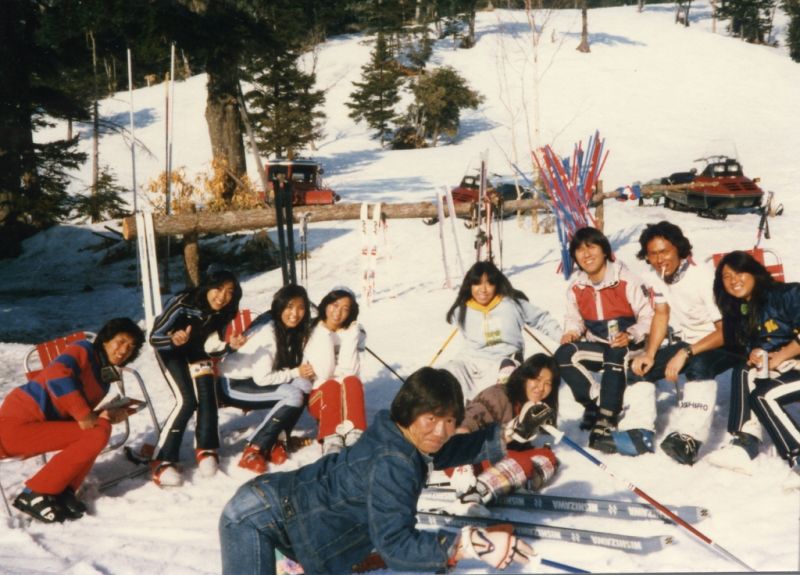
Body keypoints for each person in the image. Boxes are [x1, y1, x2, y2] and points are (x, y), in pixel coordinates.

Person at [219, 366, 550, 575]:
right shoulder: (395, 463)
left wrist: (507, 433)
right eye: (431, 418)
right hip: (259, 520)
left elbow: (446, 449)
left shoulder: (396, 431)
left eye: (450, 420)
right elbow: (394, 544)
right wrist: (464, 544)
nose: (441, 430)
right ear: (411, 411)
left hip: (286, 515)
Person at [0, 318, 145, 523]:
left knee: (98, 429)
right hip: (15, 426)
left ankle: (62, 490)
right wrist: (84, 414)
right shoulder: (83, 349)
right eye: (120, 342)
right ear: (105, 340)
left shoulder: (103, 379)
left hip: (39, 426)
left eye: (130, 347)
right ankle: (34, 493)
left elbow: (75, 417)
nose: (123, 351)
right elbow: (57, 375)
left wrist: (105, 414)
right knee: (96, 431)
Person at [629, 221, 742, 465]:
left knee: (698, 365)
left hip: (731, 342)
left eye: (665, 251)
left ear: (679, 249)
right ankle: (638, 432)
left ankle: (689, 438)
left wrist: (685, 353)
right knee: (640, 369)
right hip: (693, 342)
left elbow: (725, 330)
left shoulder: (702, 276)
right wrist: (649, 353)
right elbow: (661, 314)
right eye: (653, 254)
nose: (659, 259)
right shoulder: (658, 277)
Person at [553, 226, 653, 453]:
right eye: (579, 250)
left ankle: (607, 416)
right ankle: (594, 404)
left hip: (631, 346)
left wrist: (631, 334)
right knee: (564, 354)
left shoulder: (626, 280)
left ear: (605, 250)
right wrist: (572, 332)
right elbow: (574, 318)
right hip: (599, 344)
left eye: (592, 248)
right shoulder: (577, 286)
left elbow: (649, 317)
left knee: (615, 351)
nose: (586, 255)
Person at [707, 250, 800, 478]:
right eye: (726, 277)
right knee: (744, 370)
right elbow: (760, 342)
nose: (733, 281)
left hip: (792, 362)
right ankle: (744, 443)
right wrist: (757, 352)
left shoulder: (787, 294)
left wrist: (781, 355)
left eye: (739, 273)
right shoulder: (742, 310)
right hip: (790, 366)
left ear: (754, 273)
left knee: (764, 396)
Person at [149, 267, 243, 487]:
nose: (222, 296)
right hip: (171, 351)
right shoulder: (183, 302)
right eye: (218, 288)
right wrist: (174, 339)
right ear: (207, 286)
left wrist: (230, 346)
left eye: (229, 292)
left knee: (208, 395)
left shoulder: (224, 311)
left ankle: (206, 448)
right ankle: (162, 459)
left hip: (197, 351)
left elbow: (212, 346)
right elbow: (154, 337)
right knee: (187, 400)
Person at [217, 284, 315, 474]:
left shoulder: (291, 329)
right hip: (232, 383)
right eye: (289, 307)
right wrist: (295, 372)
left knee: (303, 385)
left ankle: (278, 440)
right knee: (292, 395)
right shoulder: (268, 332)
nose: (295, 313)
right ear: (279, 306)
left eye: (301, 307)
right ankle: (254, 448)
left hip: (254, 379)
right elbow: (263, 379)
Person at [452, 354, 560, 506]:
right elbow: (465, 425)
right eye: (536, 379)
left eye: (548, 383)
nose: (541, 387)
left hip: (496, 461)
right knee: (523, 463)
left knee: (547, 456)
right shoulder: (498, 395)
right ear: (524, 377)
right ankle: (474, 495)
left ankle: (514, 483)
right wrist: (463, 467)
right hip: (462, 458)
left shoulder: (529, 405)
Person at [443, 260, 561, 400]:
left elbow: (542, 319)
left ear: (497, 284)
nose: (483, 289)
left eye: (489, 283)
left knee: (506, 372)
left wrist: (563, 337)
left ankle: (499, 405)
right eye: (477, 283)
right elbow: (452, 319)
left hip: (503, 362)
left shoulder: (512, 304)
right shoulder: (462, 310)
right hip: (471, 363)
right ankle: (457, 408)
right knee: (450, 371)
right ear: (470, 285)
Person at [303, 287, 368, 455]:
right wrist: (324, 333)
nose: (338, 312)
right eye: (335, 305)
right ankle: (331, 441)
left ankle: (356, 437)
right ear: (326, 304)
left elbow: (350, 372)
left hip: (346, 398)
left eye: (345, 308)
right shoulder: (313, 331)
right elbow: (324, 373)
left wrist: (351, 336)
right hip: (320, 398)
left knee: (352, 382)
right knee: (331, 385)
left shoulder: (353, 332)